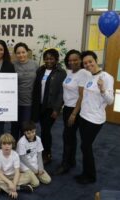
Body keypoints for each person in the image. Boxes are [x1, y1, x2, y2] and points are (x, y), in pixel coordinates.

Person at [75, 50, 114, 184]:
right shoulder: (89, 77)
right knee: (84, 146)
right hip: (83, 117)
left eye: (90, 61)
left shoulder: (106, 77)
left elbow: (110, 101)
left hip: (95, 119)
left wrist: (103, 90)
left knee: (86, 146)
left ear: (96, 60)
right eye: (85, 63)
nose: (88, 64)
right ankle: (85, 172)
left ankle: (91, 176)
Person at [55, 50, 91, 175]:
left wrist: (74, 114)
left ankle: (65, 164)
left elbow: (81, 96)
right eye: (70, 60)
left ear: (80, 60)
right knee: (70, 136)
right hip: (67, 108)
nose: (72, 62)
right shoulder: (70, 72)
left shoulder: (84, 73)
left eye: (75, 60)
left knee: (67, 136)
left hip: (75, 109)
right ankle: (71, 161)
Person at [31, 48, 67, 164]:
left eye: (51, 58)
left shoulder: (61, 73)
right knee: (40, 129)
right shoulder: (40, 70)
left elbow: (61, 92)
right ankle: (40, 151)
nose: (48, 60)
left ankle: (47, 154)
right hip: (39, 105)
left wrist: (57, 109)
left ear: (56, 59)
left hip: (50, 107)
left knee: (46, 131)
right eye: (46, 58)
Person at [10, 42, 39, 142]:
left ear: (27, 52)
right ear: (15, 54)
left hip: (29, 102)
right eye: (18, 53)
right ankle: (13, 149)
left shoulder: (35, 65)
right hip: (15, 101)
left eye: (23, 52)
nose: (21, 55)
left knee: (26, 128)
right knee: (14, 127)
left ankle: (25, 149)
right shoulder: (12, 65)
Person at [0, 133, 33, 199]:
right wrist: (10, 183)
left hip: (13, 175)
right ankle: (18, 188)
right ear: (0, 145)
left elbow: (17, 171)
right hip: (2, 176)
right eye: (4, 144)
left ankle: (3, 188)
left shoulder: (15, 154)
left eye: (9, 144)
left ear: (12, 145)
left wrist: (13, 184)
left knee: (29, 177)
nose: (7, 146)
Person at [16, 121, 51, 187]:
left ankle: (32, 176)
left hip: (35, 163)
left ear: (35, 130)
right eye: (28, 133)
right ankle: (21, 177)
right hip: (25, 166)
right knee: (36, 183)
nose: (31, 135)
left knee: (47, 180)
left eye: (33, 132)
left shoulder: (38, 139)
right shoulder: (21, 142)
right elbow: (23, 159)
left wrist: (40, 168)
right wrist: (34, 170)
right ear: (24, 133)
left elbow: (39, 154)